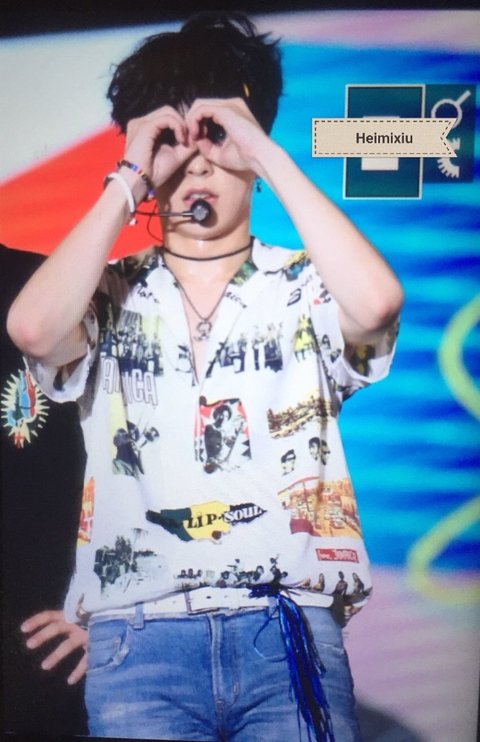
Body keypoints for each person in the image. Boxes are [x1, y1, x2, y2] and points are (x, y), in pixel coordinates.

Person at [8, 11, 403, 741]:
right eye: (174, 146)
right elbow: (32, 329)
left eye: (216, 141)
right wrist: (131, 173)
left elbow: (377, 303)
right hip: (138, 644)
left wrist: (261, 149)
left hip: (288, 632)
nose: (197, 166)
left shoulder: (303, 286)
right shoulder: (108, 291)